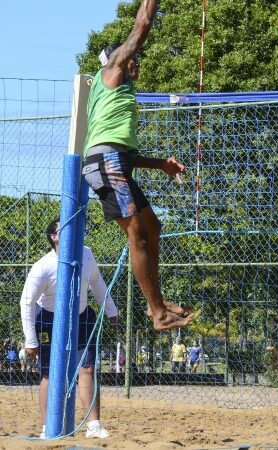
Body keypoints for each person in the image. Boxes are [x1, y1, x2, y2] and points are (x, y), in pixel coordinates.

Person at [80, 0, 194, 331]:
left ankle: (154, 303)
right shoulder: (112, 72)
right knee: (137, 234)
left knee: (152, 228)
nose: (136, 64)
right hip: (106, 163)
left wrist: (161, 164)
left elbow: (122, 153)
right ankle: (158, 313)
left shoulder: (120, 96)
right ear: (118, 61)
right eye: (133, 59)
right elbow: (142, 24)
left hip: (115, 162)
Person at [20, 218, 120, 439]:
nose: (74, 232)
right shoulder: (43, 266)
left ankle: (93, 426)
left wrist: (111, 311)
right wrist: (30, 340)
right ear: (53, 238)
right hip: (49, 319)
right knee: (49, 374)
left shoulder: (86, 253)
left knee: (87, 370)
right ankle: (48, 427)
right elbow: (27, 302)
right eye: (64, 230)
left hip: (82, 316)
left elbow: (97, 283)